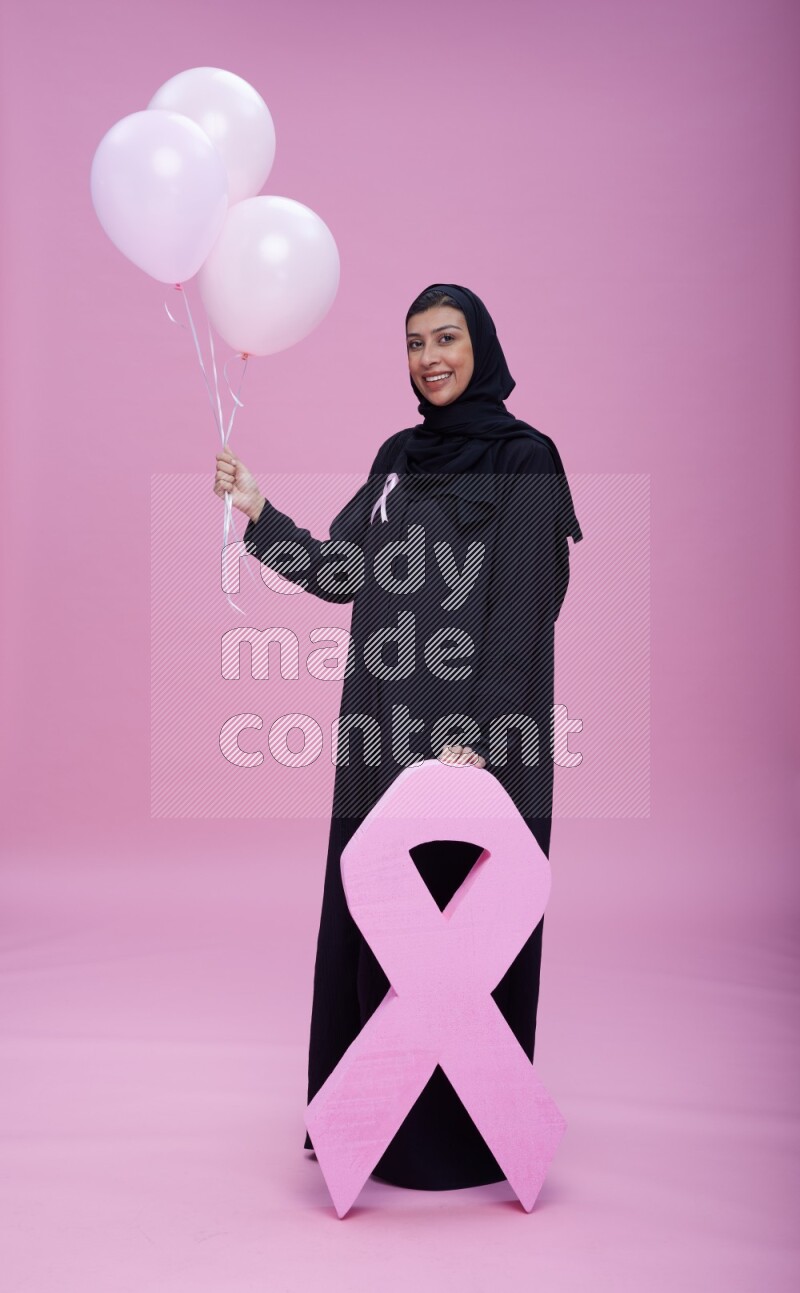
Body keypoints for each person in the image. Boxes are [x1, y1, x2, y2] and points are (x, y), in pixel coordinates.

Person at [213, 282, 582, 1190]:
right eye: (415, 342)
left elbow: (526, 605)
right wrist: (262, 516)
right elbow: (345, 572)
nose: (430, 358)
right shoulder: (395, 458)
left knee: (460, 941)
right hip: (380, 738)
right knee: (377, 932)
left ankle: (459, 1146)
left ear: (480, 344)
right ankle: (367, 1129)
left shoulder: (525, 461)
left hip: (472, 749)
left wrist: (476, 735)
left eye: (446, 338)